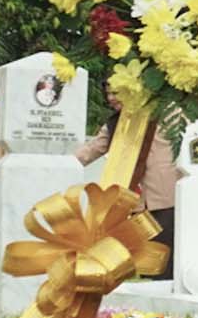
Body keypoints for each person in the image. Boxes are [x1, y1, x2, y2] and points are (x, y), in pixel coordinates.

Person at [76, 94, 178, 249]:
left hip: (165, 200)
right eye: (107, 93)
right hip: (131, 203)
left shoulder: (170, 112)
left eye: (116, 92)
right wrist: (59, 166)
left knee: (165, 256)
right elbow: (91, 150)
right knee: (138, 257)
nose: (110, 98)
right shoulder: (117, 122)